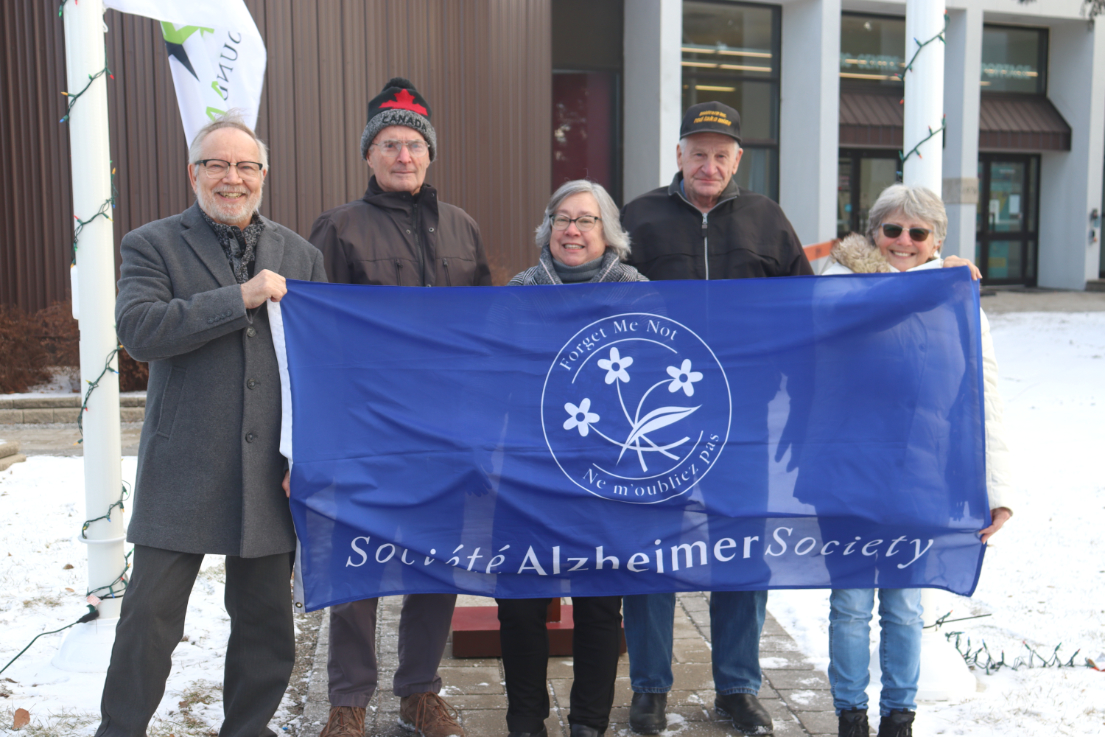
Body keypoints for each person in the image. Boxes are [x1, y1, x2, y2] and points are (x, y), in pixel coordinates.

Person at [98, 115, 327, 737]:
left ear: (263, 175)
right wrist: (241, 298)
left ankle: (246, 730)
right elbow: (139, 331)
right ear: (193, 173)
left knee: (266, 626)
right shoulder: (152, 244)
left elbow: (320, 370)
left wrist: (307, 459)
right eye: (218, 165)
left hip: (269, 474)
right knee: (148, 619)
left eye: (246, 166)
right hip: (184, 466)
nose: (233, 178)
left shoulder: (302, 255)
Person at [618, 101, 812, 736]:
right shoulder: (638, 217)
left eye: (720, 155)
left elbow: (806, 313)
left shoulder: (767, 220)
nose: (708, 164)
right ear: (679, 155)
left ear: (737, 161)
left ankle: (737, 685)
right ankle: (649, 688)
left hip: (744, 421)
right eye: (697, 152)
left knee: (741, 552)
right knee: (650, 554)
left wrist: (804, 406)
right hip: (654, 421)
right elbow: (596, 293)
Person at [308, 77, 491, 737]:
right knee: (356, 567)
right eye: (389, 144)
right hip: (366, 432)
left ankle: (419, 690)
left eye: (413, 144)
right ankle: (348, 699)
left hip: (445, 434)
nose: (403, 155)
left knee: (434, 565)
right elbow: (315, 336)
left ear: (429, 153)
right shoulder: (338, 227)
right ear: (369, 155)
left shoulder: (463, 227)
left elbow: (485, 332)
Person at [819, 184, 1013, 737]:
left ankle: (899, 716)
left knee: (904, 608)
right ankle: (850, 715)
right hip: (845, 472)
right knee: (852, 605)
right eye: (893, 229)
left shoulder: (957, 298)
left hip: (919, 473)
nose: (904, 241)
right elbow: (836, 331)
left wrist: (997, 489)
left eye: (919, 232)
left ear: (937, 240)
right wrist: (930, 285)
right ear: (873, 232)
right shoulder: (838, 285)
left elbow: (985, 396)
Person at [498, 179, 644, 737]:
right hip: (527, 474)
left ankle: (588, 723)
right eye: (563, 218)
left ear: (608, 232)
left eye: (586, 220)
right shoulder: (519, 290)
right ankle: (525, 720)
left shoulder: (637, 293)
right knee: (520, 604)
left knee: (600, 606)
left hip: (606, 476)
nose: (573, 230)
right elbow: (494, 379)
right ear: (548, 228)